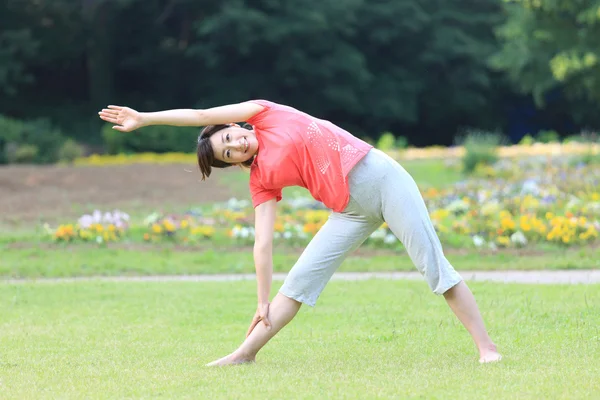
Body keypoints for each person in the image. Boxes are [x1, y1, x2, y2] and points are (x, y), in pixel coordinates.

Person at [98, 100, 502, 365]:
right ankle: (244, 355)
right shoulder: (260, 178)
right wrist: (260, 301)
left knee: (432, 265)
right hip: (348, 211)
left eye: (229, 137)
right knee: (295, 285)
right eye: (228, 153)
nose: (235, 145)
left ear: (234, 125)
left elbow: (202, 115)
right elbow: (263, 242)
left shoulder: (264, 113)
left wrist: (146, 119)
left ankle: (487, 348)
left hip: (382, 179)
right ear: (233, 163)